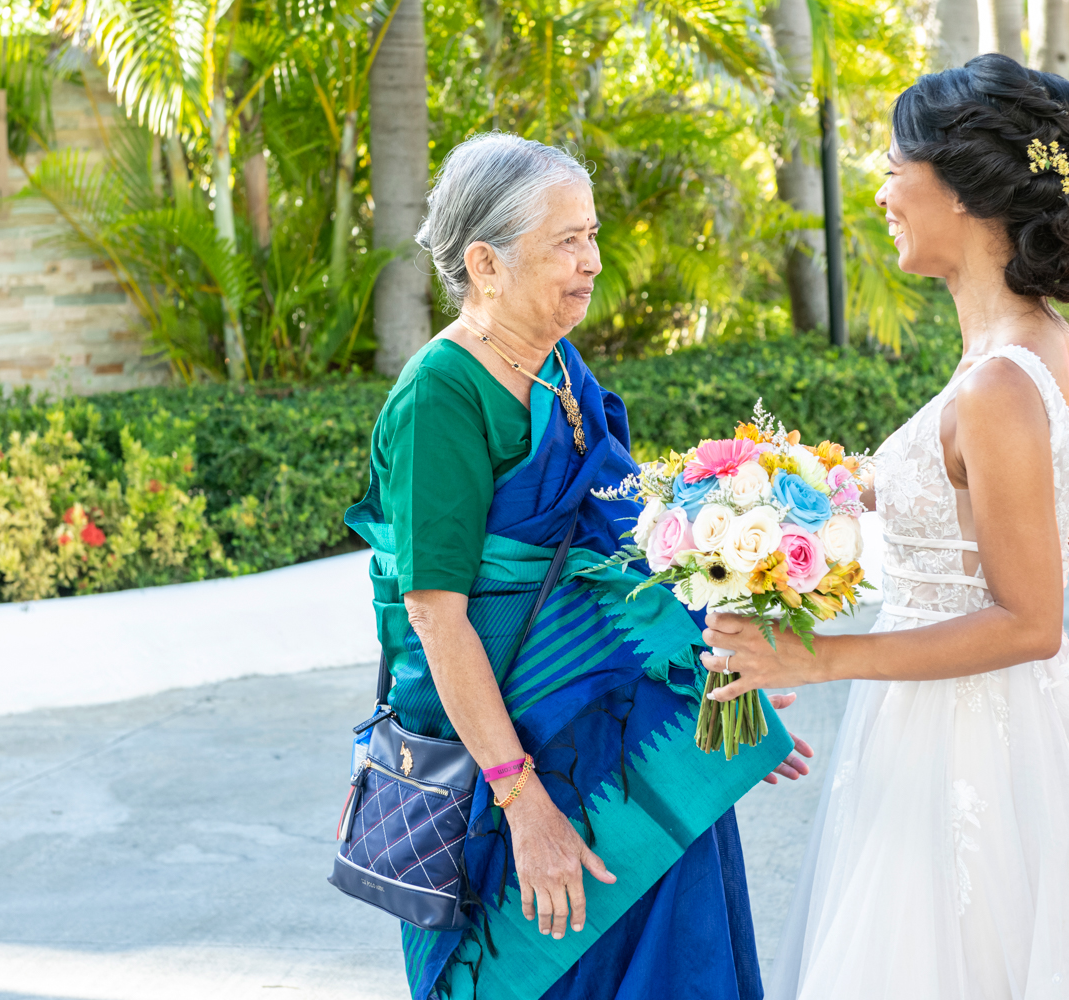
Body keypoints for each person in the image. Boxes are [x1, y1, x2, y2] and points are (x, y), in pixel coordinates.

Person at [701, 55, 1069, 1000]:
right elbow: (954, 501)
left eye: (894, 169)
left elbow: (1029, 620)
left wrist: (816, 657)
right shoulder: (1031, 346)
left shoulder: (1000, 380)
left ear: (960, 186)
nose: (881, 194)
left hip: (969, 742)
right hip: (958, 721)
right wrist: (789, 490)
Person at [343, 132, 812, 1000]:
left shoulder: (558, 364)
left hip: (633, 749)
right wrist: (524, 806)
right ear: (486, 264)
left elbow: (622, 549)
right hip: (516, 775)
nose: (592, 261)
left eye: (591, 235)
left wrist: (712, 682)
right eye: (567, 241)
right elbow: (436, 617)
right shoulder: (441, 395)